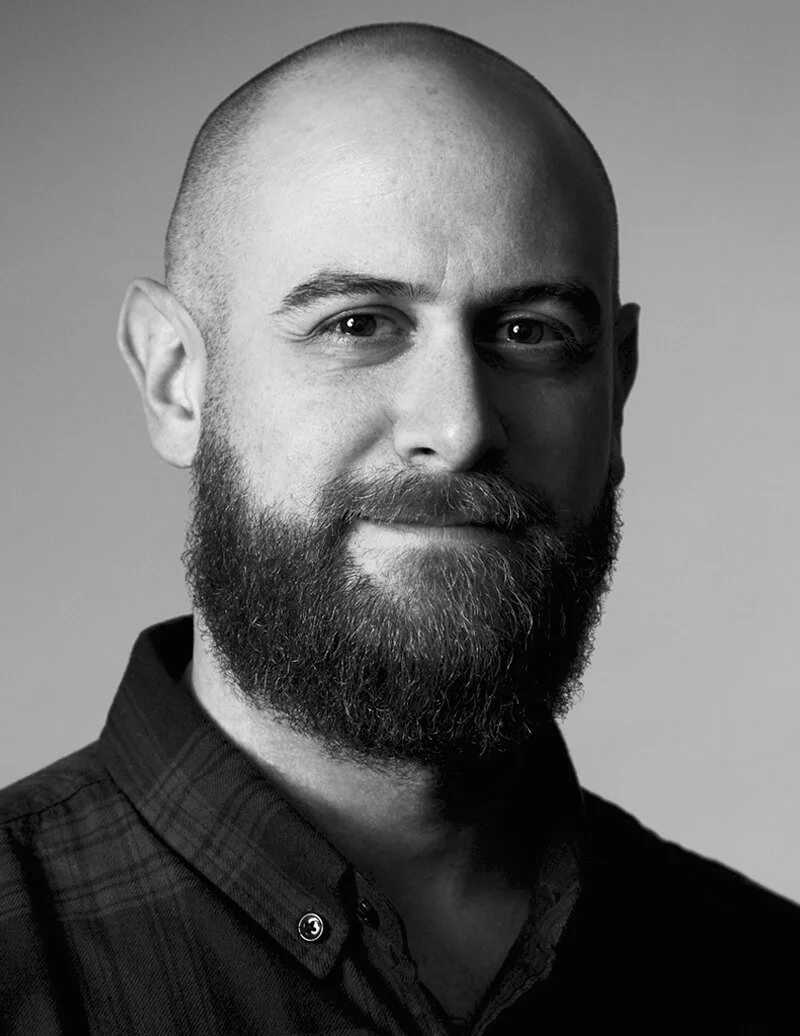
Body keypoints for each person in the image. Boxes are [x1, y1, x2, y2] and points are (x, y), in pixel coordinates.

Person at [1, 21, 797, 1035]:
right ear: (174, 380)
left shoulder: (766, 973)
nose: (457, 430)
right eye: (357, 324)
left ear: (617, 391)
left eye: (531, 333)